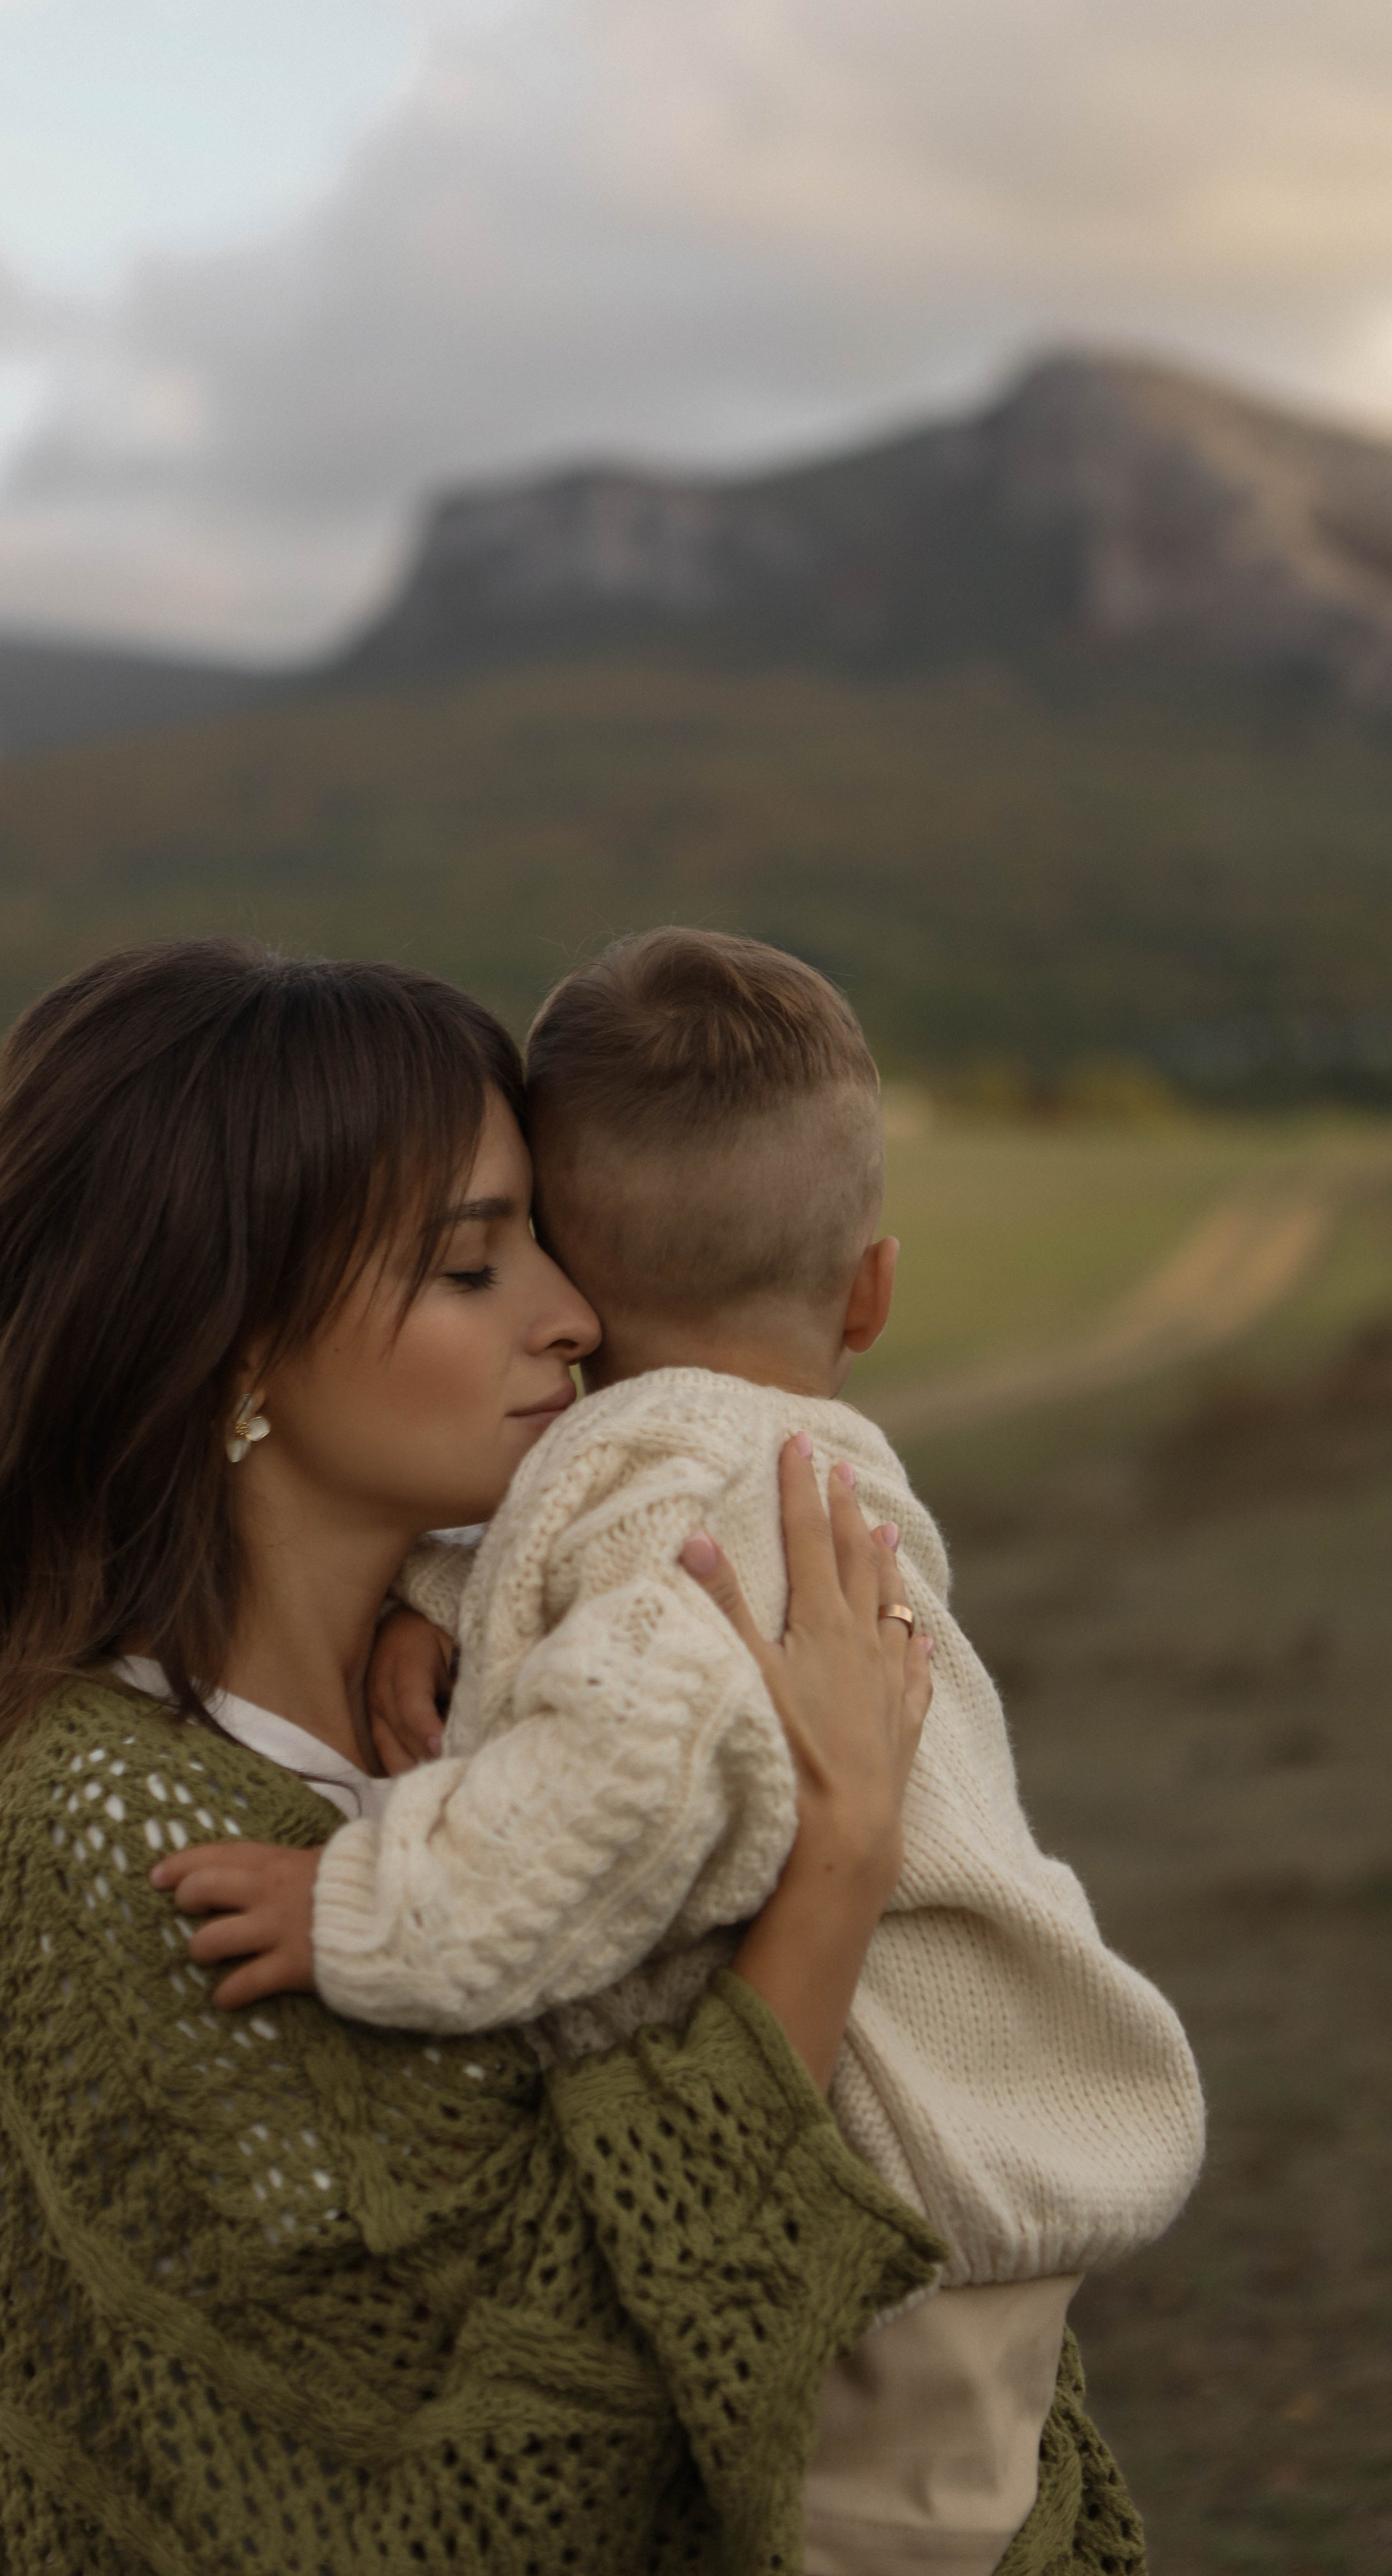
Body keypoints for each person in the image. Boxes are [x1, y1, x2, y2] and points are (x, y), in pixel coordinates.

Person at [0, 936, 978, 2576]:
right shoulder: (93, 1823)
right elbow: (479, 2493)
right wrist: (830, 1871)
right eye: (473, 1269)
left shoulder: (539, 1701)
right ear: (232, 1344)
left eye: (544, 1238)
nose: (575, 1315)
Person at [160, 930, 1197, 2576]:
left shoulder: (697, 1501)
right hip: (933, 2187)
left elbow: (634, 1747)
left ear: (579, 1278)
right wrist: (442, 1596)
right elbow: (596, 1595)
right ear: (871, 1290)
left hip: (892, 2209)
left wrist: (368, 1905)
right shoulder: (735, 1470)